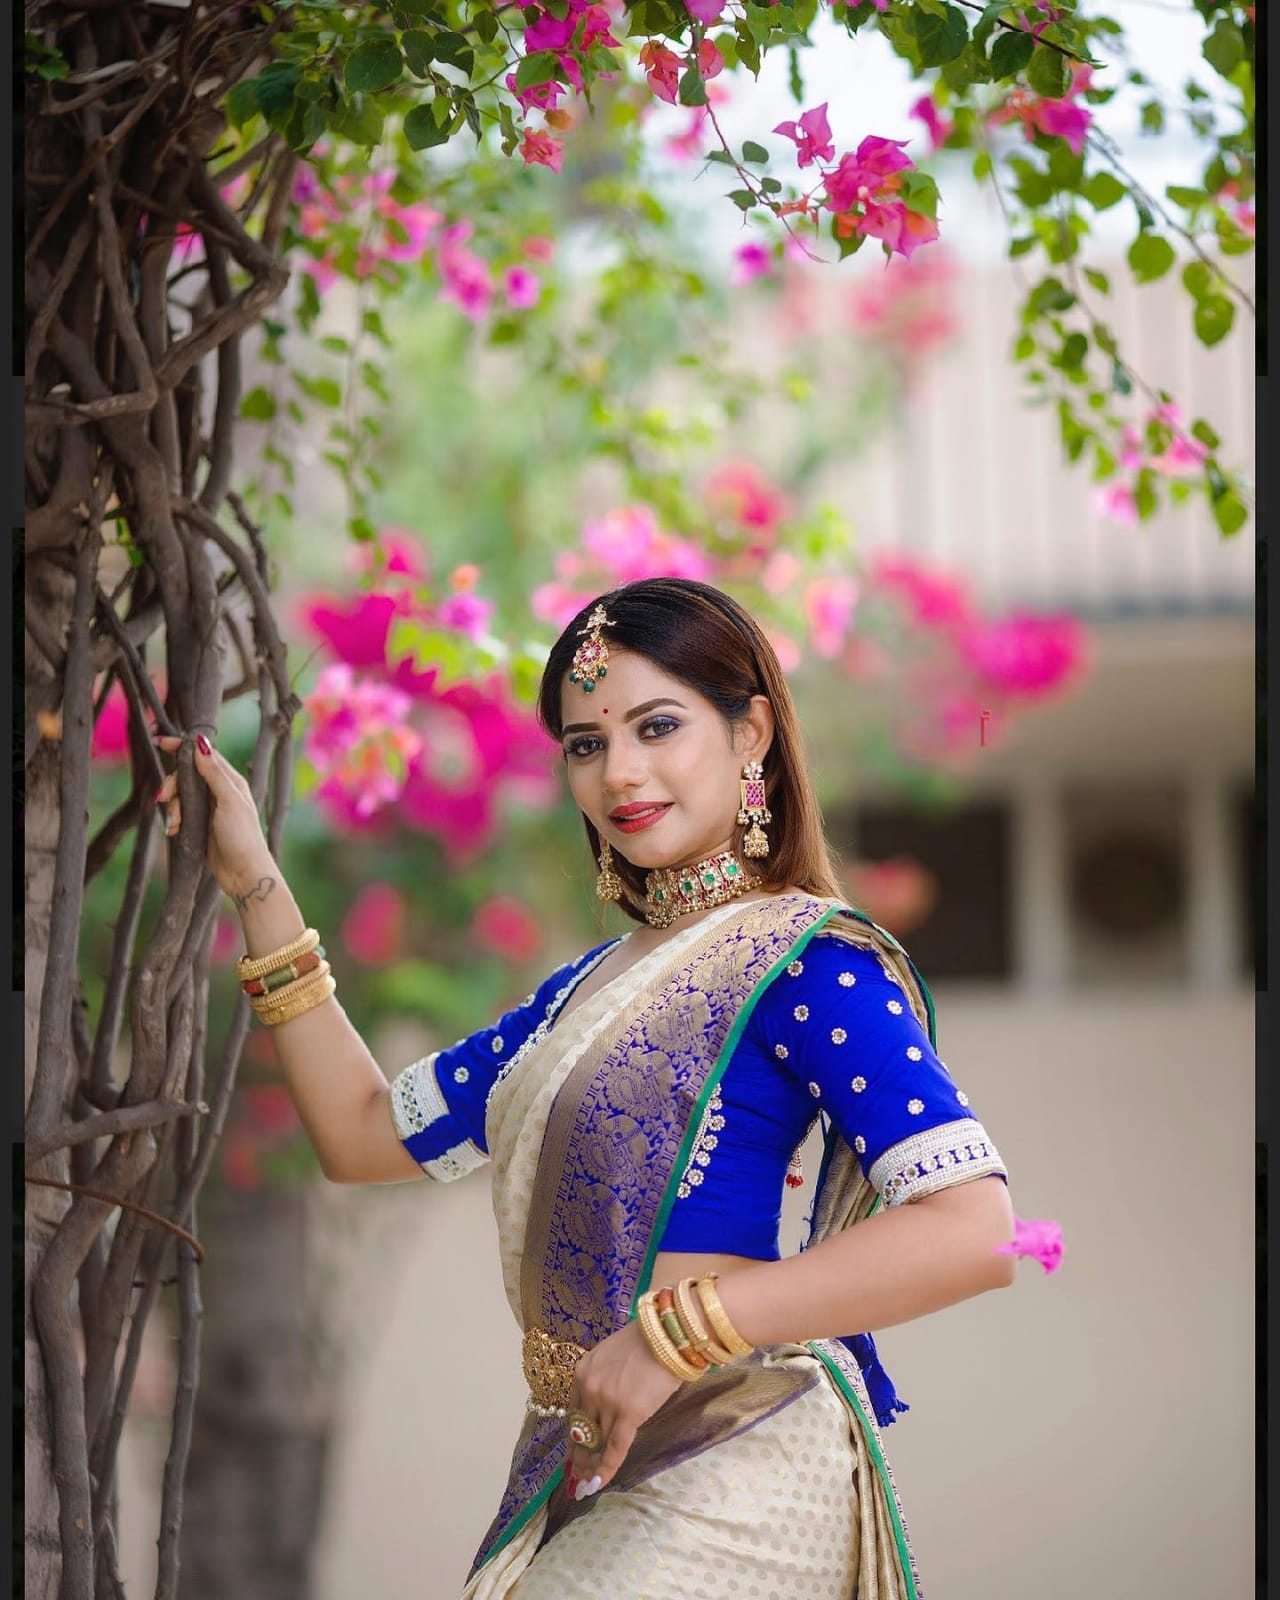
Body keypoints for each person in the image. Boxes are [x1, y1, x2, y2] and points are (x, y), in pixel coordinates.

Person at [155, 576, 1015, 1600]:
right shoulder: (581, 997)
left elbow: (975, 1229)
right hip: (589, 1462)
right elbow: (361, 1132)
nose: (621, 771)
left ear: (750, 736)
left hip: (737, 1455)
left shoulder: (805, 961)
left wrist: (673, 1333)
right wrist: (254, 879)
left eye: (657, 726)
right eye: (584, 743)